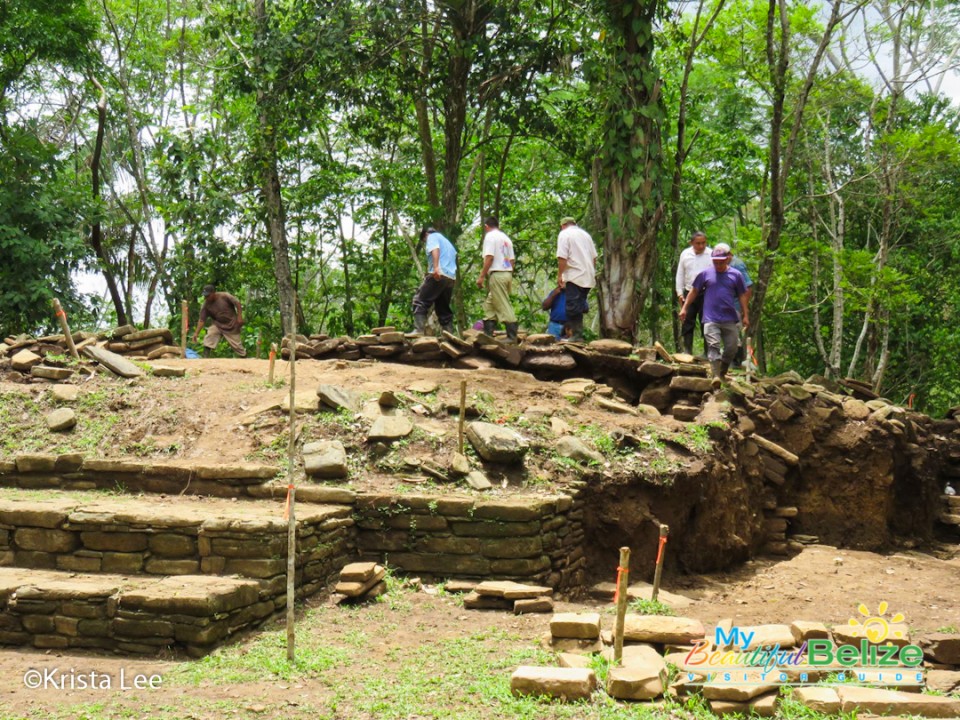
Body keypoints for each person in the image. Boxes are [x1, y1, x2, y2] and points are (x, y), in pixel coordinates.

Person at [679, 247, 749, 388]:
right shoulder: (705, 274)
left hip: (729, 318)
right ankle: (716, 375)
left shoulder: (736, 275)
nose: (718, 265)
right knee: (713, 345)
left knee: (732, 348)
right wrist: (684, 308)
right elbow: (693, 291)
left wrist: (746, 314)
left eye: (721, 262)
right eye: (715, 262)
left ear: (727, 259)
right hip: (711, 318)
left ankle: (721, 371)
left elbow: (742, 295)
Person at [477, 215, 518, 343]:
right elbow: (512, 261)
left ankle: (512, 336)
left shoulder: (490, 237)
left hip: (498, 274)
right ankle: (488, 333)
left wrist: (482, 276)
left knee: (503, 304)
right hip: (506, 273)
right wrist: (509, 274)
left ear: (486, 227)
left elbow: (489, 257)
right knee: (490, 304)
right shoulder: (506, 238)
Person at [556, 216, 597, 343]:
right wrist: (591, 271)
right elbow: (594, 258)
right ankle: (575, 334)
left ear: (563, 225)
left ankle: (576, 336)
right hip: (588, 276)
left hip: (575, 275)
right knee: (578, 306)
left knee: (572, 306)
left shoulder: (564, 234)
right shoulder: (586, 235)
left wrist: (560, 275)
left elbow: (562, 257)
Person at [411, 225, 457, 336]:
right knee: (443, 308)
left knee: (419, 300)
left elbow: (435, 249)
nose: (426, 242)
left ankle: (419, 330)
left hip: (438, 274)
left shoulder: (432, 237)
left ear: (426, 235)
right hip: (450, 277)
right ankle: (449, 335)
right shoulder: (447, 242)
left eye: (424, 240)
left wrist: (436, 268)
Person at [715, 242, 753, 366]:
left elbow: (747, 288)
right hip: (721, 305)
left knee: (734, 332)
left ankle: (735, 361)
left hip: (735, 304)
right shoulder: (718, 266)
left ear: (729, 255)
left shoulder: (737, 265)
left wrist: (743, 309)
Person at [675, 231, 714, 354]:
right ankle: (687, 350)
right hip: (689, 291)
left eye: (703, 243)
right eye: (698, 243)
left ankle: (707, 352)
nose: (701, 246)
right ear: (692, 243)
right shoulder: (685, 254)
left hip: (706, 293)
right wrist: (679, 293)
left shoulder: (711, 254)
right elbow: (680, 274)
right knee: (687, 320)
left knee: (706, 321)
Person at [193, 284, 246, 358]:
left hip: (232, 324)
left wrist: (239, 316)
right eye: (205, 296)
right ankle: (205, 356)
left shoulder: (224, 296)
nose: (206, 298)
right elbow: (202, 320)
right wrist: (196, 333)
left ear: (213, 293)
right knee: (211, 333)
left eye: (208, 296)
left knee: (237, 345)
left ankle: (244, 357)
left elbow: (237, 303)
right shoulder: (206, 305)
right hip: (218, 324)